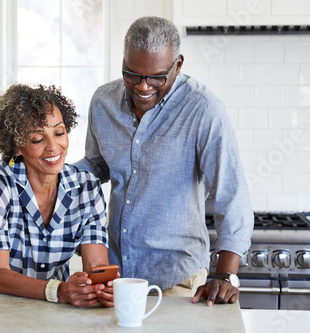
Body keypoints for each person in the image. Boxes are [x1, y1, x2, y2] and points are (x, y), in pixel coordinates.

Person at [74, 16, 254, 306]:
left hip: (178, 279)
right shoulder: (103, 102)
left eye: (157, 77)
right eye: (132, 74)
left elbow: (231, 195)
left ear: (178, 65)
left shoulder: (204, 110)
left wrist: (225, 275)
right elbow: (96, 167)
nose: (143, 87)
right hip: (116, 275)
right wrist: (46, 172)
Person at [0, 83, 116, 307]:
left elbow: (97, 266)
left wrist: (101, 288)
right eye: (37, 139)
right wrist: (58, 291)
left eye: (59, 133)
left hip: (49, 308)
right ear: (16, 147)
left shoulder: (87, 187)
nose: (53, 147)